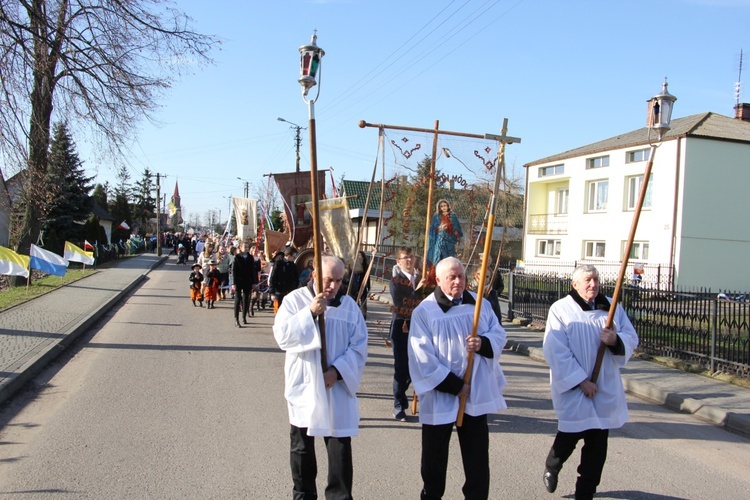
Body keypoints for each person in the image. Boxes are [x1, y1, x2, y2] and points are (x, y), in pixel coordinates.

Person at [408, 256, 507, 499]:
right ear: (438, 280)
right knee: (434, 460)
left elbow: (498, 333)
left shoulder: (480, 304)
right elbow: (421, 356)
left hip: (473, 393)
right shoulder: (425, 311)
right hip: (441, 393)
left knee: (477, 460)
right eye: (451, 277)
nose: (457, 281)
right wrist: (455, 386)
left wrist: (483, 343)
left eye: (461, 276)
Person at [273, 255, 368, 500]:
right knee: (302, 446)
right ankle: (303, 494)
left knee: (339, 448)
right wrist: (310, 313)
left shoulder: (349, 307)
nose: (333, 286)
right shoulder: (295, 300)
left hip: (336, 386)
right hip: (305, 384)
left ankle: (339, 496)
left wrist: (336, 372)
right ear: (314, 274)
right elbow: (283, 336)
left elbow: (359, 346)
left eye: (338, 280)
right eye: (328, 280)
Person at [541, 264, 639, 500]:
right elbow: (555, 350)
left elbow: (631, 336)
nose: (593, 284)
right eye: (587, 280)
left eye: (595, 279)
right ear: (574, 284)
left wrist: (616, 339)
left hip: (604, 385)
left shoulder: (611, 308)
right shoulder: (561, 310)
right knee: (569, 436)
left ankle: (585, 492)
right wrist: (581, 381)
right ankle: (553, 466)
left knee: (597, 446)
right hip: (575, 387)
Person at [389, 246, 422, 421]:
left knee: (418, 365)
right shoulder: (396, 279)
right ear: (398, 261)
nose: (409, 260)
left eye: (411, 256)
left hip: (419, 327)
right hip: (402, 326)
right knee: (402, 366)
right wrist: (418, 292)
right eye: (405, 257)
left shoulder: (420, 277)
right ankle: (399, 405)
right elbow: (400, 302)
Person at [427, 199, 463, 267]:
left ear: (448, 206)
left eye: (445, 205)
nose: (443, 207)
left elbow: (457, 228)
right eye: (441, 206)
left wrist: (455, 231)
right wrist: (440, 228)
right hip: (440, 241)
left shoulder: (453, 216)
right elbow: (432, 229)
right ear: (439, 208)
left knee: (449, 260)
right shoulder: (436, 217)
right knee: (438, 258)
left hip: (450, 241)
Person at [232, 240, 259, 328]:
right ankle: (236, 319)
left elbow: (253, 271)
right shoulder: (236, 257)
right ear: (240, 248)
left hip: (248, 281)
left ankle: (244, 317)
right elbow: (234, 271)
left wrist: (254, 282)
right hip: (238, 281)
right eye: (245, 247)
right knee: (237, 299)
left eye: (248, 247)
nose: (246, 249)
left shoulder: (250, 257)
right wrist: (234, 283)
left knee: (246, 299)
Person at [269, 245, 299, 313]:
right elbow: (272, 278)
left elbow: (296, 279)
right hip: (280, 291)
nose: (294, 258)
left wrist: (295, 289)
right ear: (289, 256)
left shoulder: (293, 265)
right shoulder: (278, 264)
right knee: (280, 311)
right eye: (294, 256)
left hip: (290, 292)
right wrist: (272, 293)